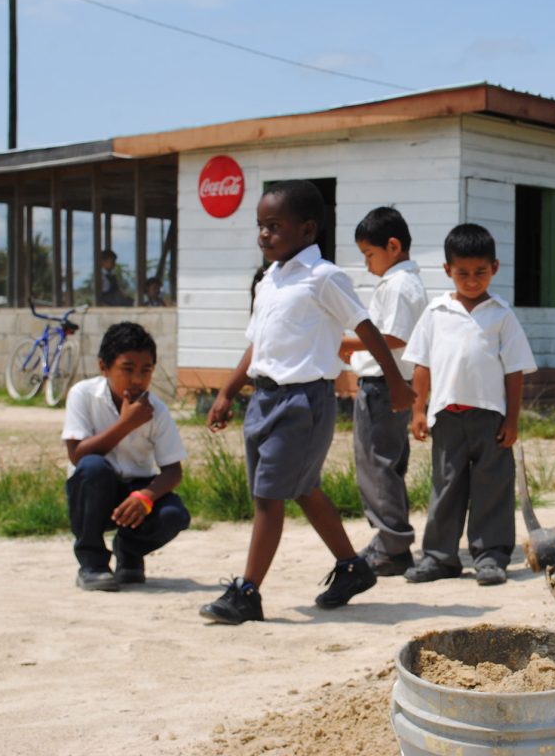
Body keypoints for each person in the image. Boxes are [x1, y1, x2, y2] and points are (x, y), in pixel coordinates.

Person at [199, 180, 415, 624]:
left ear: (307, 228)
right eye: (260, 226)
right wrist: (226, 391)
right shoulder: (269, 281)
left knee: (268, 496)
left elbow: (368, 328)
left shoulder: (324, 278)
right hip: (263, 399)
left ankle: (247, 592)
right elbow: (255, 345)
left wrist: (396, 382)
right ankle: (352, 567)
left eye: (274, 226)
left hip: (304, 401)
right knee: (301, 488)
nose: (264, 235)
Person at [401, 223, 536, 586]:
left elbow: (515, 371)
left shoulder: (501, 314)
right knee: (446, 486)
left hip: (490, 417)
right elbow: (422, 365)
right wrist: (418, 409)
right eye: (462, 273)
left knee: (492, 486)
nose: (472, 280)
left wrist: (512, 419)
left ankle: (491, 555)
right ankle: (440, 557)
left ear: (495, 267)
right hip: (446, 416)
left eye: (480, 272)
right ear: (447, 271)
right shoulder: (436, 312)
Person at [62, 321, 190, 591]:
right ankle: (92, 562)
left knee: (174, 515)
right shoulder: (82, 395)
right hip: (93, 491)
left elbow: (173, 470)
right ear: (103, 367)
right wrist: (127, 424)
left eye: (146, 370)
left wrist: (146, 497)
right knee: (93, 468)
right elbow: (77, 456)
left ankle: (129, 551)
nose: (137, 379)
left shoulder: (157, 409)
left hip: (134, 492)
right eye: (127, 369)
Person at [339, 207, 428, 577]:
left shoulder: (399, 285)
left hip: (383, 385)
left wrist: (351, 341)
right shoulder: (402, 282)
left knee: (377, 466)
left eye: (368, 254)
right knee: (387, 464)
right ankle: (390, 538)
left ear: (392, 246)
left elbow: (394, 336)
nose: (367, 264)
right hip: (388, 385)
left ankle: (392, 543)